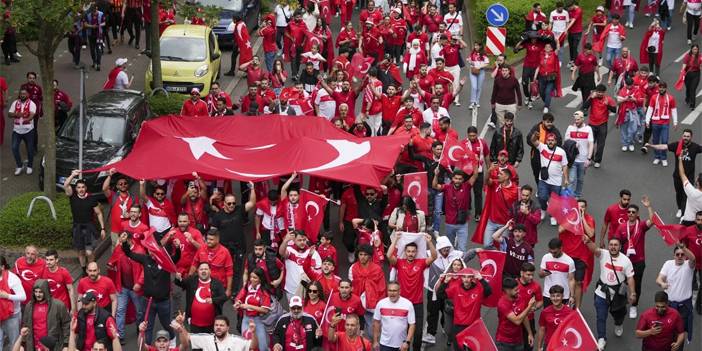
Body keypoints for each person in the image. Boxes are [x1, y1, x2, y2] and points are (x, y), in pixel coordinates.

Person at [120, 231, 180, 344]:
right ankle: (146, 346)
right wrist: (124, 243)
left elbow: (176, 258)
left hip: (164, 301)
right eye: (149, 249)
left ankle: (172, 341)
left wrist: (177, 248)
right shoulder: (145, 259)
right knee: (147, 326)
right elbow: (129, 253)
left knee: (167, 324)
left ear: (158, 249)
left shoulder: (166, 261)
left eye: (153, 249)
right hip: (147, 301)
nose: (151, 252)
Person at [583, 236, 636, 350]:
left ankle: (618, 323)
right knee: (601, 316)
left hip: (618, 294)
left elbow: (630, 278)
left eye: (615, 245)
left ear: (620, 247)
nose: (613, 247)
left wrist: (632, 293)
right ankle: (601, 338)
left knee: (619, 314)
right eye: (611, 244)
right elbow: (595, 250)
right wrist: (588, 241)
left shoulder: (626, 261)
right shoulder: (604, 254)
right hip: (602, 292)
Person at [387, 234, 436, 351]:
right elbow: (388, 255)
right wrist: (395, 241)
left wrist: (429, 242)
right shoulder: (399, 262)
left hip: (417, 304)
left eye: (413, 251)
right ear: (405, 251)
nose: (410, 253)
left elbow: (434, 256)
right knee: (404, 332)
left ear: (416, 252)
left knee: (418, 333)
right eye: (408, 251)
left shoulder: (421, 263)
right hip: (402, 303)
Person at [614, 196, 655, 319]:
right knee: (622, 283)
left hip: (638, 261)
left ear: (637, 214)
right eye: (629, 212)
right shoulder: (621, 227)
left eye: (633, 212)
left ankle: (633, 305)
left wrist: (648, 207)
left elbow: (652, 221)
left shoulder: (641, 226)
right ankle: (621, 303)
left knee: (636, 284)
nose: (631, 213)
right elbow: (616, 242)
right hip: (625, 261)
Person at [646, 129, 702, 218]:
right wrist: (651, 146)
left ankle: (684, 213)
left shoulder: (695, 147)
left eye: (688, 136)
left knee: (686, 195)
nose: (686, 138)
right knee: (679, 193)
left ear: (691, 137)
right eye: (684, 136)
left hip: (689, 177)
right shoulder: (677, 145)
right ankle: (680, 209)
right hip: (677, 176)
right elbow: (663, 146)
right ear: (682, 136)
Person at [436, 269, 492, 351]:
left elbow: (489, 291)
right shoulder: (455, 288)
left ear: (472, 278)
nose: (466, 279)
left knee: (473, 348)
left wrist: (481, 279)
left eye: (469, 277)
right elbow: (440, 294)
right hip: (458, 325)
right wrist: (445, 282)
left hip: (473, 326)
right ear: (461, 278)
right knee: (458, 349)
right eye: (464, 277)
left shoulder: (479, 288)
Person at [64, 170, 106, 270]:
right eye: (79, 187)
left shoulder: (91, 199)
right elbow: (66, 185)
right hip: (77, 228)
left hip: (89, 228)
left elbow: (99, 213)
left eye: (83, 187)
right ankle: (84, 270)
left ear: (86, 188)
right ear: (76, 189)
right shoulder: (72, 196)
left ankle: (91, 269)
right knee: (81, 252)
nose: (81, 189)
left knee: (89, 252)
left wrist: (103, 228)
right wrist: (73, 175)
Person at [656, 243, 696, 346]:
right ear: (674, 255)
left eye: (682, 254)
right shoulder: (668, 264)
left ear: (685, 256)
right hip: (668, 305)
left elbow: (693, 258)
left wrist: (683, 247)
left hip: (683, 307)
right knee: (666, 329)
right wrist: (662, 283)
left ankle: (678, 347)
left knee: (680, 331)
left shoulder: (689, 265)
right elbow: (659, 279)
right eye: (677, 254)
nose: (680, 256)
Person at [432, 168, 479, 251]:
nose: (457, 181)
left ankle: (460, 263)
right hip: (450, 223)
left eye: (460, 179)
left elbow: (475, 176)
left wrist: (475, 162)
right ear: (452, 179)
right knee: (450, 248)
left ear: (463, 180)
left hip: (463, 224)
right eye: (456, 178)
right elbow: (435, 186)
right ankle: (452, 263)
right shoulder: (447, 187)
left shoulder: (467, 186)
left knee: (462, 249)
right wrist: (436, 174)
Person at [530, 132, 569, 226]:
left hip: (556, 182)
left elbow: (564, 166)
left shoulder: (561, 152)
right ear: (546, 141)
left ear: (555, 141)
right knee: (542, 197)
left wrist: (566, 178)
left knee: (554, 201)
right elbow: (533, 140)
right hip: (543, 180)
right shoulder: (542, 148)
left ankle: (553, 216)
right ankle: (543, 210)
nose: (550, 142)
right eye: (549, 140)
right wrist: (535, 136)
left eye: (552, 140)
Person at [348, 244, 386, 339]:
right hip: (357, 305)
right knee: (355, 333)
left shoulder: (377, 269)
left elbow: (382, 288)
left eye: (365, 255)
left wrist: (379, 305)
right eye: (360, 254)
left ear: (369, 256)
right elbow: (350, 287)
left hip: (372, 307)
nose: (363, 257)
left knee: (372, 333)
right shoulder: (353, 268)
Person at [21, 279, 70, 351]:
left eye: (40, 292)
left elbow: (66, 324)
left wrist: (66, 344)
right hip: (34, 345)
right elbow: (25, 326)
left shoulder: (58, 305)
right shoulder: (29, 306)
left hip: (53, 345)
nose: (37, 294)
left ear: (46, 291)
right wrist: (22, 343)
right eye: (36, 291)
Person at [372, 281, 416, 351]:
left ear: (399, 291)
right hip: (384, 344)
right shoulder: (380, 304)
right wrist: (375, 341)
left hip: (402, 346)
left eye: (395, 291)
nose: (392, 293)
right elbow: (376, 323)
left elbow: (412, 325)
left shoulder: (408, 304)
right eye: (390, 290)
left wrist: (407, 342)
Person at [496, 277, 537, 351]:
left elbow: (524, 317)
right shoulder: (502, 304)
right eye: (516, 290)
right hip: (504, 342)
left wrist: (530, 333)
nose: (518, 291)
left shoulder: (519, 297)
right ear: (507, 291)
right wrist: (529, 306)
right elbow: (517, 321)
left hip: (518, 340)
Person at [190, 229, 233, 298]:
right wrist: (190, 279)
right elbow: (194, 263)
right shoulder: (202, 249)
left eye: (211, 239)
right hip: (202, 284)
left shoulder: (225, 252)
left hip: (218, 287)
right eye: (207, 239)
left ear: (217, 240)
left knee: (216, 307)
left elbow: (229, 272)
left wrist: (228, 289)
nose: (208, 241)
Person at [102, 169, 138, 246]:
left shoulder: (133, 198)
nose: (123, 185)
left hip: (128, 230)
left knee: (128, 252)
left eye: (125, 183)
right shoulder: (113, 196)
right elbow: (104, 188)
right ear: (117, 186)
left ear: (128, 185)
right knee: (116, 252)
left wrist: (131, 215)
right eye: (120, 184)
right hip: (115, 231)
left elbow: (138, 213)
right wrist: (109, 175)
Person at [583, 84, 616, 168]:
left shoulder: (608, 99)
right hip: (592, 124)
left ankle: (598, 160)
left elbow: (614, 110)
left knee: (601, 144)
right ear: (595, 91)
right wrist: (591, 98)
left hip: (602, 124)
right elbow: (584, 107)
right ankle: (590, 159)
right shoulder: (592, 97)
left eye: (601, 92)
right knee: (591, 142)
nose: (599, 94)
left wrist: (607, 105)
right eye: (598, 92)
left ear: (604, 92)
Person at [645, 85, 678, 165]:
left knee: (664, 140)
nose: (661, 89)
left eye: (663, 87)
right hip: (655, 122)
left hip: (665, 123)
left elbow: (673, 110)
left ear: (666, 88)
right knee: (655, 140)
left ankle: (663, 157)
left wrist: (675, 122)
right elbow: (650, 109)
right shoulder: (654, 97)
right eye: (660, 87)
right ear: (658, 88)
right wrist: (647, 121)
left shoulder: (670, 98)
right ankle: (657, 156)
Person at [526, 113, 562, 185]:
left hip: (549, 158)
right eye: (547, 122)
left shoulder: (555, 131)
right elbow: (528, 140)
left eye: (551, 122)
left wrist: (551, 147)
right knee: (536, 174)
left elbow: (559, 142)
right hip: (536, 157)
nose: (549, 124)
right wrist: (536, 144)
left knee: (548, 174)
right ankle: (539, 187)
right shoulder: (537, 128)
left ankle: (546, 188)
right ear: (543, 121)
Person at [564, 111, 593, 197]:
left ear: (582, 119)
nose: (576, 121)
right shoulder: (570, 128)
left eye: (578, 119)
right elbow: (566, 141)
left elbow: (591, 144)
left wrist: (589, 158)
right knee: (572, 179)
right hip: (572, 159)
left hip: (583, 160)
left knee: (580, 179)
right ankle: (569, 197)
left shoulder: (588, 129)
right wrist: (573, 143)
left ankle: (577, 195)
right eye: (575, 119)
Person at [539, 238, 576, 308]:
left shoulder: (569, 261)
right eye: (551, 251)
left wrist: (572, 296)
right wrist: (543, 273)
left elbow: (571, 280)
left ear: (561, 248)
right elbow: (540, 275)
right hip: (548, 295)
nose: (552, 254)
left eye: (555, 252)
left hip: (563, 295)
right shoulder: (546, 257)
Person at [187, 315, 258, 351]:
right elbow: (187, 337)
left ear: (228, 328)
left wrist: (254, 332)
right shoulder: (206, 338)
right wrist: (181, 327)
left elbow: (253, 346)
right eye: (216, 325)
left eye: (221, 325)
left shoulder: (236, 340)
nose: (218, 327)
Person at [535, 284, 573, 350]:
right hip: (549, 344)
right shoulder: (545, 312)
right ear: (550, 297)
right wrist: (539, 347)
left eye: (558, 296)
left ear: (562, 296)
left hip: (564, 344)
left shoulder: (570, 312)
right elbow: (542, 329)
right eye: (553, 296)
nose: (555, 298)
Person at [9, 88, 37, 176]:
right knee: (14, 148)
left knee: (30, 149)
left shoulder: (32, 104)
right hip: (17, 130)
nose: (22, 95)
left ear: (28, 95)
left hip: (28, 131)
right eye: (21, 94)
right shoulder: (15, 103)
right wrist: (16, 114)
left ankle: (30, 166)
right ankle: (19, 165)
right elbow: (9, 114)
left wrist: (26, 118)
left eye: (24, 94)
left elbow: (32, 116)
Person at [0, 255, 26, 348]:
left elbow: (23, 297)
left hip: (12, 316)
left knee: (14, 343)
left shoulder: (13, 278)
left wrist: (7, 296)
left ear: (2, 267)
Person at [533, 42, 560, 113]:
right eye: (546, 47)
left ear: (551, 48)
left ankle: (546, 106)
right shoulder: (541, 55)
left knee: (548, 92)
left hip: (550, 77)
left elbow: (558, 49)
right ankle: (547, 101)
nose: (547, 48)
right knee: (542, 92)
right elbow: (539, 66)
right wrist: (535, 76)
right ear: (544, 48)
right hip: (542, 77)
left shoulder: (554, 54)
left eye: (549, 47)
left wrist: (557, 41)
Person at [83, 5, 105, 71]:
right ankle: (94, 62)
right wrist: (92, 26)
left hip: (99, 35)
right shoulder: (88, 15)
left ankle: (98, 64)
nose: (94, 12)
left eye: (95, 10)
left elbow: (104, 23)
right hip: (91, 35)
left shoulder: (101, 14)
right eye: (93, 11)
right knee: (92, 50)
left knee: (99, 49)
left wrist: (99, 25)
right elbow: (85, 24)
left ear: (97, 8)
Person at [467, 42, 489, 110]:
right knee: (474, 87)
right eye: (475, 45)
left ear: (480, 46)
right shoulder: (472, 53)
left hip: (481, 72)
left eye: (477, 45)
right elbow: (468, 59)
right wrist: (470, 61)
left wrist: (480, 66)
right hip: (473, 71)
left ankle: (477, 101)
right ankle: (472, 102)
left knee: (479, 87)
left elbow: (487, 63)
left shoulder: (484, 54)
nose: (475, 47)